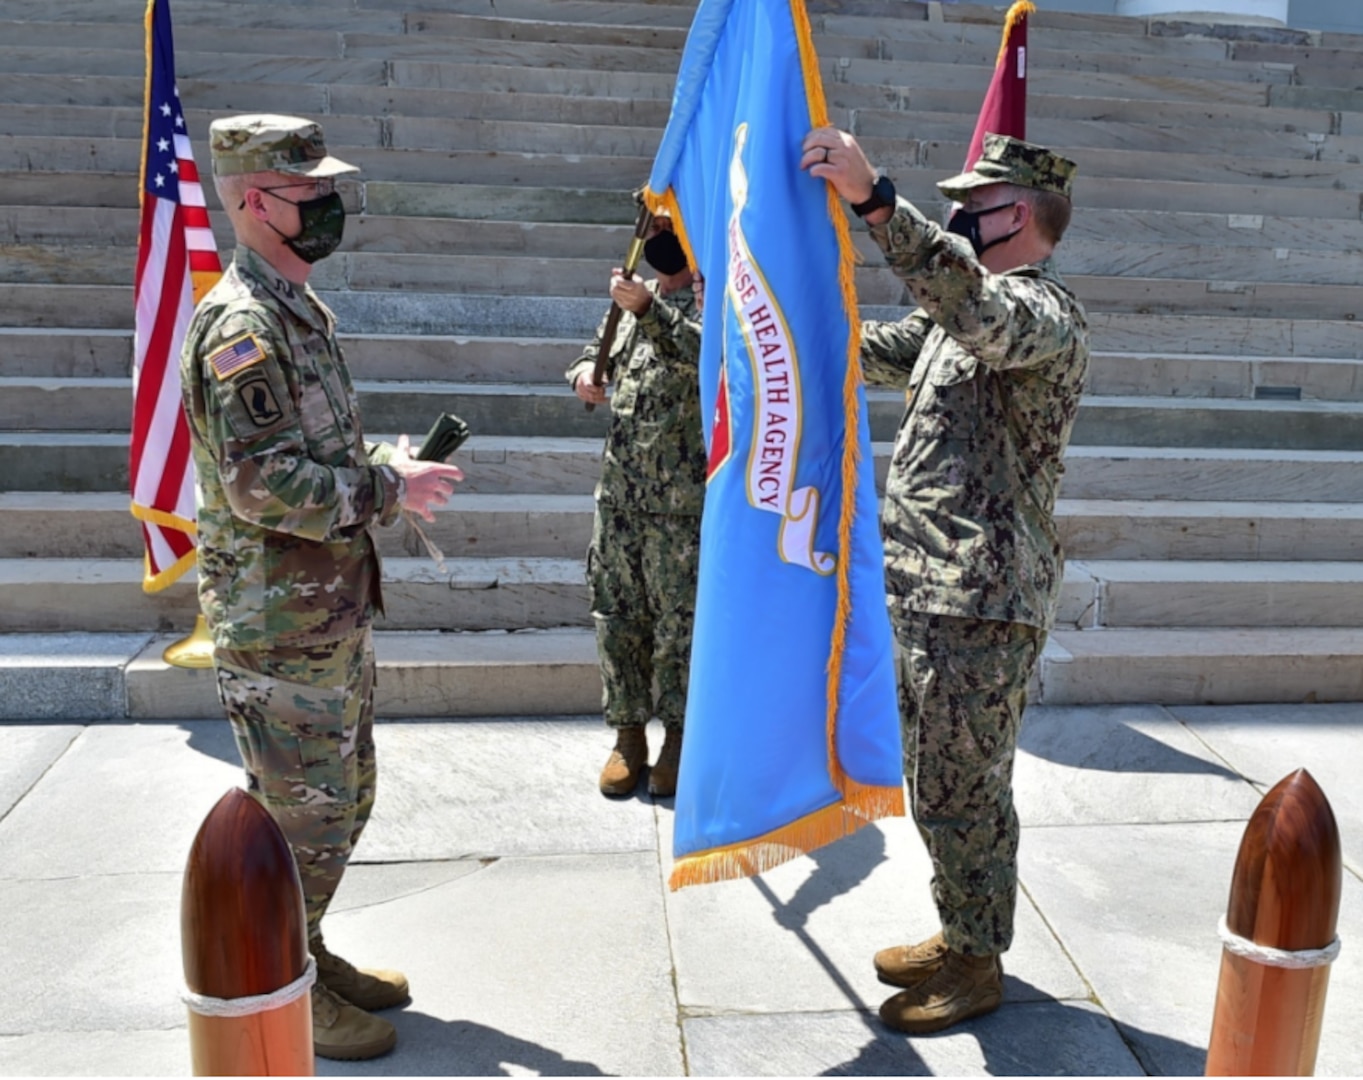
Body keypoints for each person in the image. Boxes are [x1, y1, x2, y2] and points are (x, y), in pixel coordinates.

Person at [180, 114, 464, 1061]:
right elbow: (261, 485)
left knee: (340, 803)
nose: (329, 207)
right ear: (255, 202)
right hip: (278, 623)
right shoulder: (242, 326)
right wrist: (390, 488)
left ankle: (305, 946)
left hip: (321, 609)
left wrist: (380, 460)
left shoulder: (296, 310)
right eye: (310, 194)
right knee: (302, 812)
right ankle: (279, 987)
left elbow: (307, 453)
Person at [800, 130, 1089, 1034]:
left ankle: (976, 960)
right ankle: (964, 929)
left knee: (963, 787)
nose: (962, 213)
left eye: (976, 203)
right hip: (931, 586)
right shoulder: (962, 310)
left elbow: (971, 312)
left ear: (1019, 217)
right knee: (938, 781)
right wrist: (794, 314)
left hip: (982, 595)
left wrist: (878, 202)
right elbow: (887, 346)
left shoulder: (1042, 314)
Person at [566, 210, 706, 799]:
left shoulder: (714, 303)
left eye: (668, 228)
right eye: (652, 228)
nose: (656, 239)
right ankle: (628, 737)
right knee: (617, 620)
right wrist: (582, 377)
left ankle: (678, 737)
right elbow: (592, 354)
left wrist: (650, 313)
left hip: (681, 504)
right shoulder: (634, 296)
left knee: (679, 626)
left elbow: (703, 360)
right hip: (621, 496)